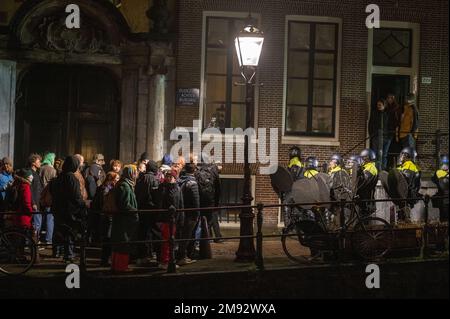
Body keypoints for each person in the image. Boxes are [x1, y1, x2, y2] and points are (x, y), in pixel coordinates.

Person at [50, 156, 87, 263]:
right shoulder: (71, 177)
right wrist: (83, 204)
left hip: (58, 208)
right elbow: (76, 195)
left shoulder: (59, 176)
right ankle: (69, 254)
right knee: (69, 232)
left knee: (59, 230)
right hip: (69, 210)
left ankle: (57, 251)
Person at [110, 165, 139, 273]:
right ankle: (121, 267)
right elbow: (124, 204)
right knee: (124, 243)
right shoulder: (125, 186)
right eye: (135, 172)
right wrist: (135, 211)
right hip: (125, 220)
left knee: (119, 244)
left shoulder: (124, 183)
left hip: (122, 219)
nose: (136, 175)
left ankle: (116, 265)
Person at [134, 160, 161, 265]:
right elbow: (156, 196)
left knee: (143, 233)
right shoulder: (154, 179)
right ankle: (159, 256)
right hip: (151, 210)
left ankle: (143, 256)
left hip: (142, 209)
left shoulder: (141, 178)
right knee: (156, 233)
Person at [91, 171, 120, 266]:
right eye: (116, 179)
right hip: (108, 216)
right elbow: (106, 202)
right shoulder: (108, 188)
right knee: (108, 238)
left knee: (107, 238)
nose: (118, 181)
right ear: (111, 179)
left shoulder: (103, 187)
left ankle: (105, 259)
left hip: (104, 216)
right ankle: (105, 260)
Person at [158, 168, 183, 270]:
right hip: (166, 219)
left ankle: (169, 260)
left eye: (171, 177)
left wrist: (181, 217)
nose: (168, 178)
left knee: (171, 241)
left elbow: (181, 204)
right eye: (167, 176)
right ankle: (165, 261)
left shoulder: (177, 188)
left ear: (174, 178)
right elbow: (160, 204)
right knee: (166, 242)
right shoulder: (163, 188)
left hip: (174, 219)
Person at [196, 153, 222, 243]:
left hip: (200, 201)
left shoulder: (197, 171)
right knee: (210, 219)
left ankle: (205, 238)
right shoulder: (213, 170)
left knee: (201, 220)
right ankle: (210, 238)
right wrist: (216, 201)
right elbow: (218, 187)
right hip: (211, 200)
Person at [177, 162, 200, 265]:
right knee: (186, 236)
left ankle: (178, 255)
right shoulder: (193, 183)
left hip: (180, 212)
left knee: (180, 235)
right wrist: (197, 213)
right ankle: (182, 257)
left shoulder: (179, 180)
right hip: (190, 213)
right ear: (194, 171)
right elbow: (196, 200)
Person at [396, 147, 421, 223]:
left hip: (407, 195)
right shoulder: (405, 165)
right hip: (406, 195)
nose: (401, 157)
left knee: (405, 216)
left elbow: (405, 180)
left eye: (402, 155)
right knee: (402, 215)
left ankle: (406, 232)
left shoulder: (409, 165)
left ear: (407, 156)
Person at [37, 152, 57, 246]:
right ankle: (49, 239)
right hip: (49, 196)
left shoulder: (40, 168)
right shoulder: (52, 170)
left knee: (40, 217)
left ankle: (37, 237)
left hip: (41, 195)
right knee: (50, 217)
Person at [369, 98, 392, 170]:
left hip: (386, 137)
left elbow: (391, 125)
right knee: (375, 154)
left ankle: (382, 169)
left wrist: (390, 137)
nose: (378, 106)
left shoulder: (388, 114)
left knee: (384, 155)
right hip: (376, 137)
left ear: (384, 105)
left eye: (380, 105)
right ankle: (375, 169)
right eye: (377, 105)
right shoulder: (374, 113)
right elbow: (370, 124)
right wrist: (371, 135)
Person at [356, 149, 379, 216]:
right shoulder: (366, 168)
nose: (361, 160)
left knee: (365, 222)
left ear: (367, 158)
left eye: (362, 158)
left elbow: (363, 182)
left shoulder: (371, 168)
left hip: (366, 200)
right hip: (363, 198)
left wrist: (359, 172)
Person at [28, 154, 44, 244]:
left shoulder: (36, 173)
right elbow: (29, 189)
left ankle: (34, 241)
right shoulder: (30, 174)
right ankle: (33, 243)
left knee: (37, 223)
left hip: (38, 202)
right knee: (36, 224)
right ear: (33, 163)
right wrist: (33, 202)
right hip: (35, 203)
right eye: (39, 161)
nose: (40, 163)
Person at [432, 154, 449, 223]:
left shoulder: (438, 172)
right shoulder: (439, 172)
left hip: (442, 199)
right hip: (443, 199)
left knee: (443, 219)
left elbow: (434, 180)